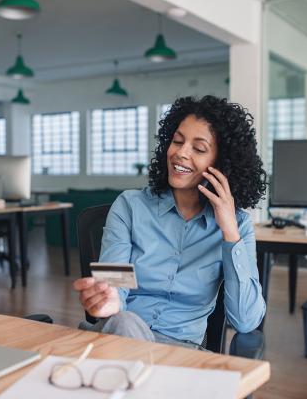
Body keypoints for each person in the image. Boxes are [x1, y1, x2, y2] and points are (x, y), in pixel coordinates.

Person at [74, 95, 267, 350]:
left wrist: (230, 232)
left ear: (221, 165)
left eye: (198, 149)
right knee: (125, 322)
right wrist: (108, 299)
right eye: (177, 141)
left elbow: (245, 321)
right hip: (121, 335)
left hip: (181, 350)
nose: (180, 153)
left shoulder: (237, 225)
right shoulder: (130, 206)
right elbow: (114, 283)